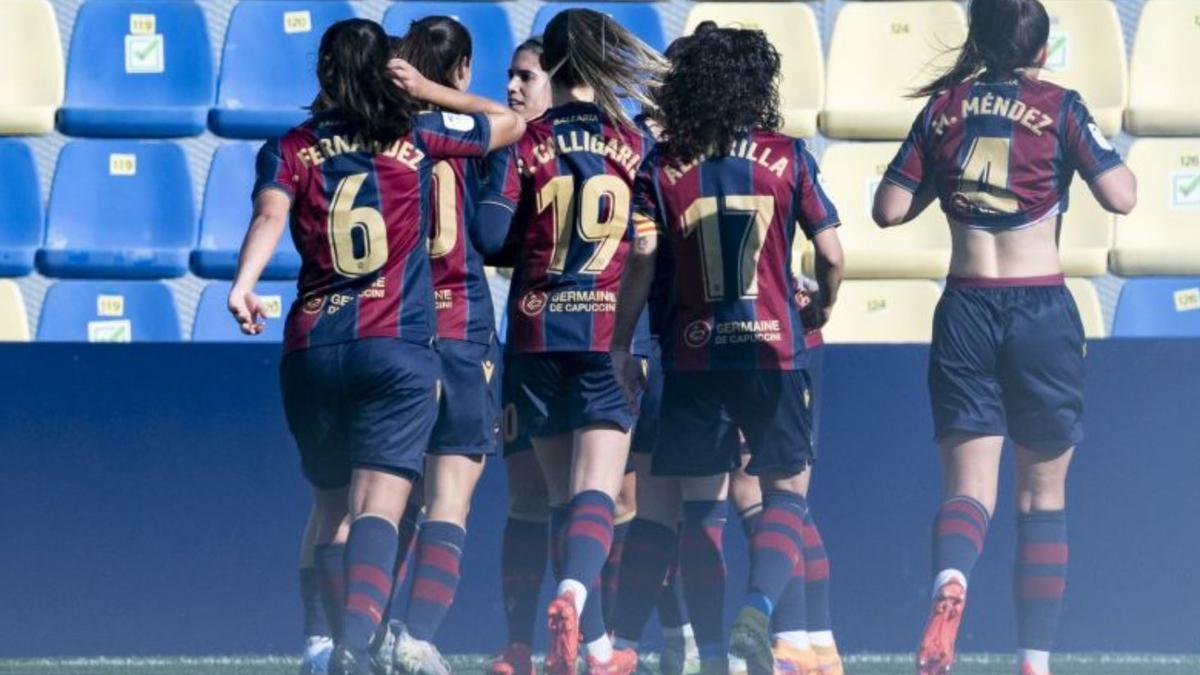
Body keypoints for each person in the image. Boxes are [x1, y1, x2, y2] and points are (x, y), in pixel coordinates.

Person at [227, 17, 524, 675]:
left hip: (312, 342)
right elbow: (508, 122)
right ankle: (358, 647)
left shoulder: (292, 146)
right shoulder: (417, 136)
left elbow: (270, 214)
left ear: (325, 74)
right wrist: (430, 90)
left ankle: (320, 644)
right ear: (388, 72)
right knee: (379, 507)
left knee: (328, 506)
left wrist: (244, 284)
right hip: (394, 341)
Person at [870, 0, 1136, 672]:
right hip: (1041, 308)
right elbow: (1124, 196)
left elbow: (889, 208)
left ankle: (951, 581)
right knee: (1041, 493)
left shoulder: (941, 110)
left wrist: (942, 176)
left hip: (965, 306)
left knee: (968, 491)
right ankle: (1033, 660)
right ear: (1042, 49)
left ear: (978, 43)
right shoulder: (1061, 105)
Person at [612, 26, 845, 675]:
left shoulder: (660, 165)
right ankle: (773, 613)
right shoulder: (787, 155)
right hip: (774, 348)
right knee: (782, 494)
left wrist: (620, 344)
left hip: (689, 354)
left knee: (694, 509)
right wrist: (823, 302)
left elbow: (643, 255)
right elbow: (830, 254)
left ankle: (709, 651)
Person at [474, 8, 668, 675]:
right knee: (599, 494)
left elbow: (491, 234)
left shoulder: (524, 142)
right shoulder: (637, 145)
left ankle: (589, 647)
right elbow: (649, 243)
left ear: (552, 64)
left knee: (559, 498)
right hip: (606, 331)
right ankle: (577, 602)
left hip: (533, 333)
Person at [343, 17, 515, 675]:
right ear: (464, 70)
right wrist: (444, 96)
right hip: (464, 324)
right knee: (450, 496)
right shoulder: (463, 132)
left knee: (383, 498)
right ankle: (415, 636)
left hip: (396, 325)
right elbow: (507, 120)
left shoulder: (387, 133)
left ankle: (361, 631)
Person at [488, 36, 555, 675]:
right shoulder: (509, 149)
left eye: (525, 76)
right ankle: (519, 644)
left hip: (594, 344)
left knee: (610, 497)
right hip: (528, 341)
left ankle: (603, 640)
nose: (512, 87)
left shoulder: (561, 150)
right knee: (528, 495)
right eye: (508, 75)